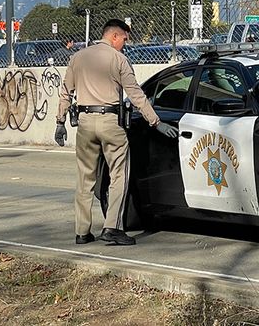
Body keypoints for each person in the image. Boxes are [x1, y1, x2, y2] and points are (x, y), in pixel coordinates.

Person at [54, 18, 177, 246]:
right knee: (118, 175)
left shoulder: (77, 57)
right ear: (114, 36)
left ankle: (82, 231)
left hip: (85, 122)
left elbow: (65, 93)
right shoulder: (119, 60)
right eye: (124, 38)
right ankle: (112, 228)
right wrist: (156, 122)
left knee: (85, 178)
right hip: (111, 122)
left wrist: (60, 122)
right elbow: (137, 95)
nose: (125, 43)